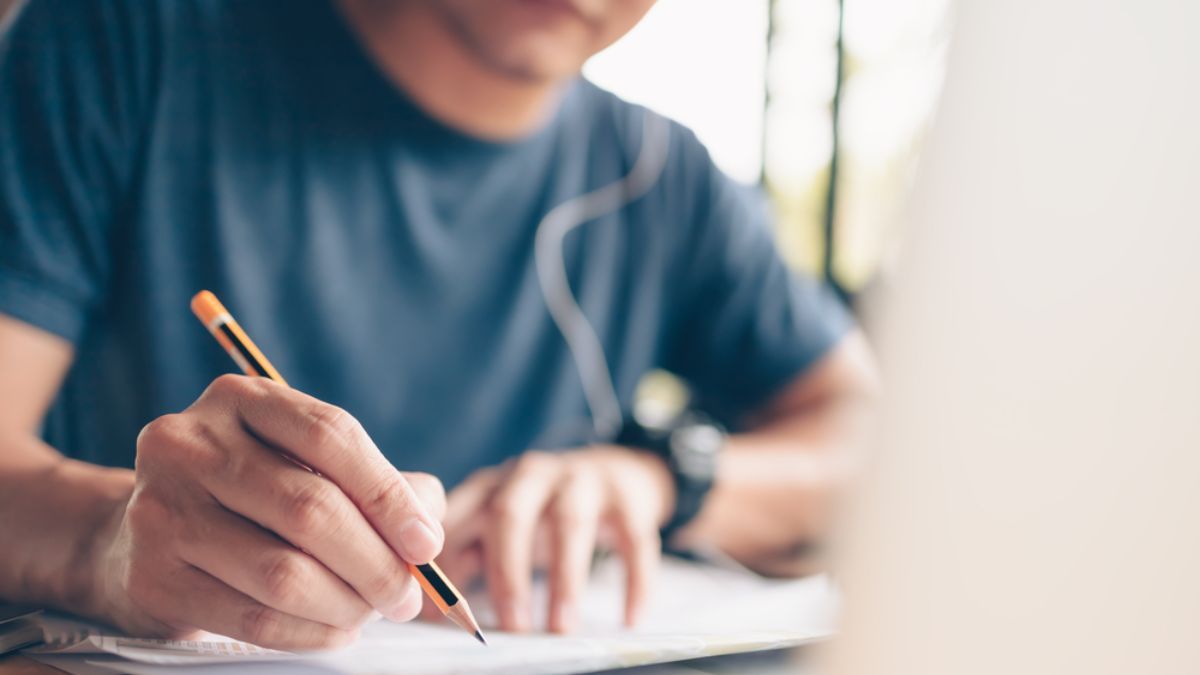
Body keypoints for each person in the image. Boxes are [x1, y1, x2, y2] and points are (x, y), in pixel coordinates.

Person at [0, 0, 877, 651]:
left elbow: (872, 439)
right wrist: (106, 540)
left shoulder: (662, 179)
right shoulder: (122, 44)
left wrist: (661, 482)